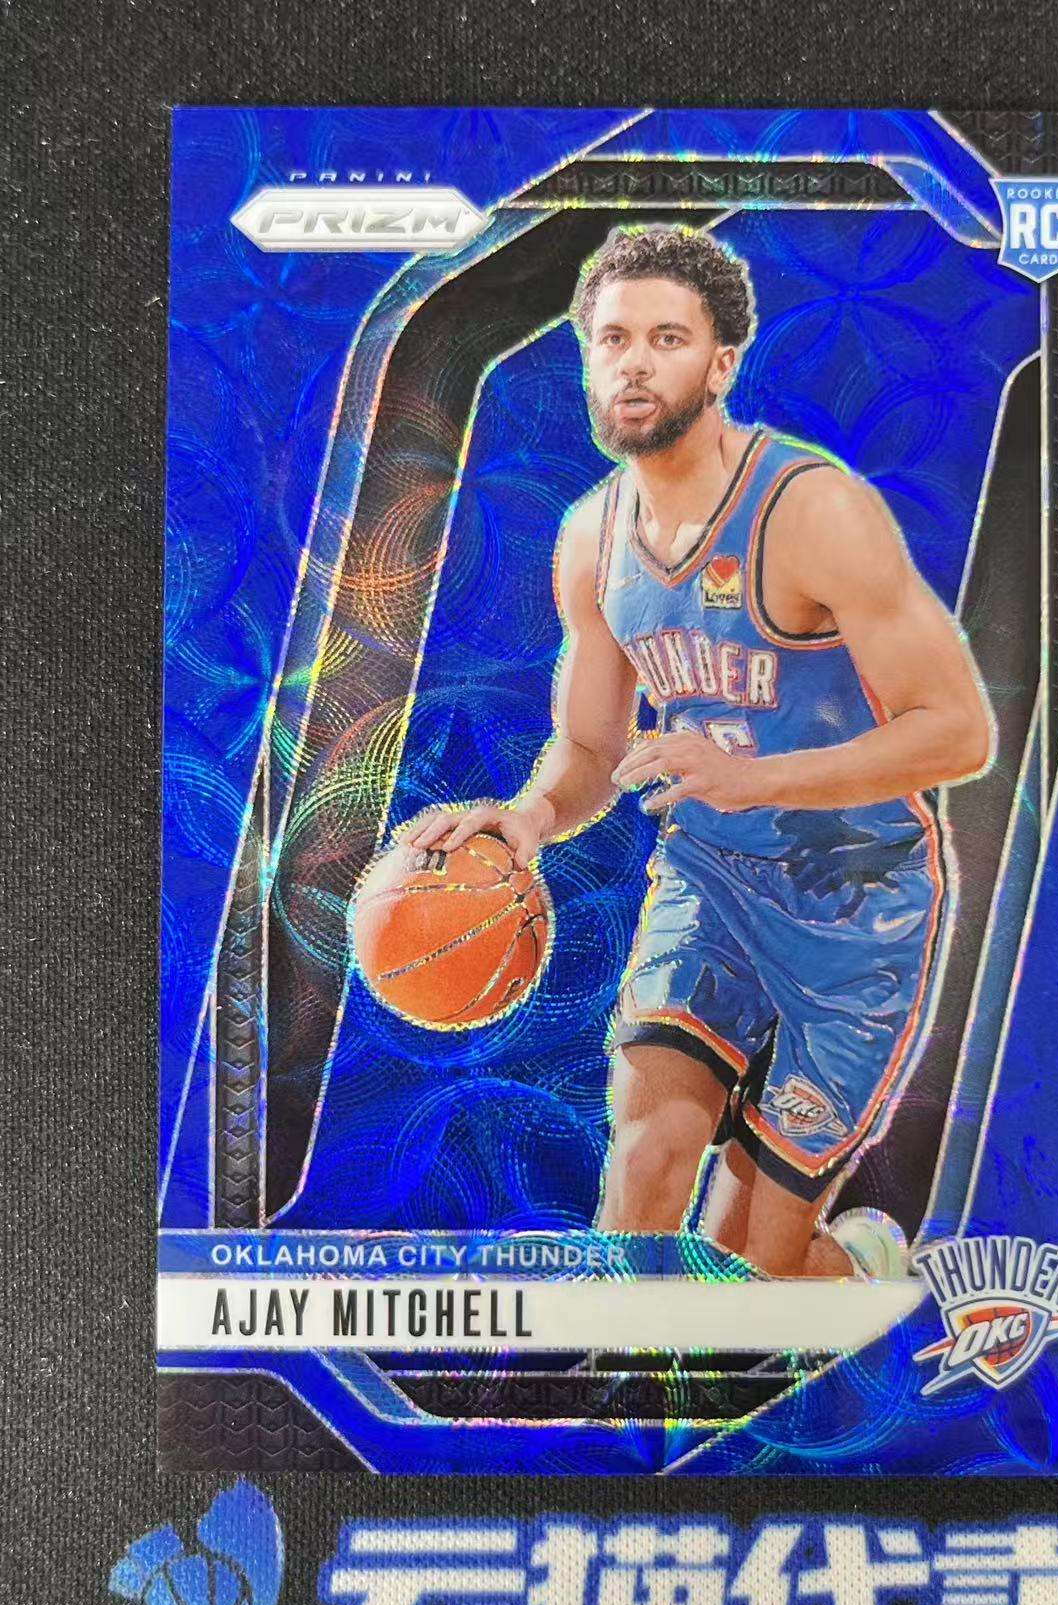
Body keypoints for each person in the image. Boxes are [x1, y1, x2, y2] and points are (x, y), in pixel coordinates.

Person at [402, 225, 991, 1278]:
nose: (634, 363)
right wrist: (529, 817)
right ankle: (608, 1381)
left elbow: (958, 730)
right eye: (612, 339)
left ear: (720, 365)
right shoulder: (591, 537)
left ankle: (861, 1267)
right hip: (711, 881)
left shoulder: (813, 510)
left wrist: (754, 778)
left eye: (666, 339)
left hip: (857, 906)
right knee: (643, 1159)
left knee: (749, 1272)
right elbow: (589, 743)